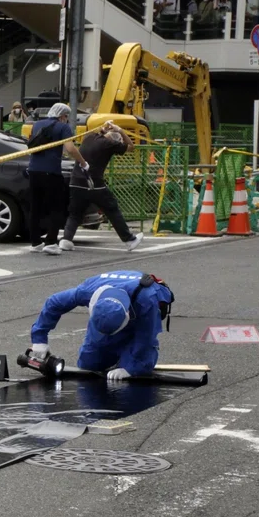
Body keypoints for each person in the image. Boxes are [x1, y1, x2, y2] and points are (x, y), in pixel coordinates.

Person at [28, 270, 174, 381]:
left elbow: (146, 337)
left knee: (140, 366)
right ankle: (116, 352)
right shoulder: (88, 291)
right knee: (89, 365)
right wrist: (39, 339)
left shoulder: (147, 301)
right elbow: (54, 303)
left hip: (139, 315)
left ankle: (129, 356)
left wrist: (130, 369)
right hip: (112, 312)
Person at [60, 122, 144, 253]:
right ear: (116, 139)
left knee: (75, 213)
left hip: (75, 180)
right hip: (94, 183)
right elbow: (131, 147)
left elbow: (99, 133)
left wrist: (104, 129)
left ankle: (66, 240)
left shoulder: (89, 137)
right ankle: (129, 239)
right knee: (111, 209)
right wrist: (120, 129)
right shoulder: (110, 145)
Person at [26, 103, 89, 256]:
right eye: (66, 116)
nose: (66, 119)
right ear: (62, 116)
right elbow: (70, 148)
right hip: (51, 172)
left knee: (35, 207)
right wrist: (82, 162)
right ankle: (51, 242)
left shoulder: (37, 125)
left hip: (34, 170)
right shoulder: (63, 127)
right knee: (57, 207)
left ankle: (35, 242)